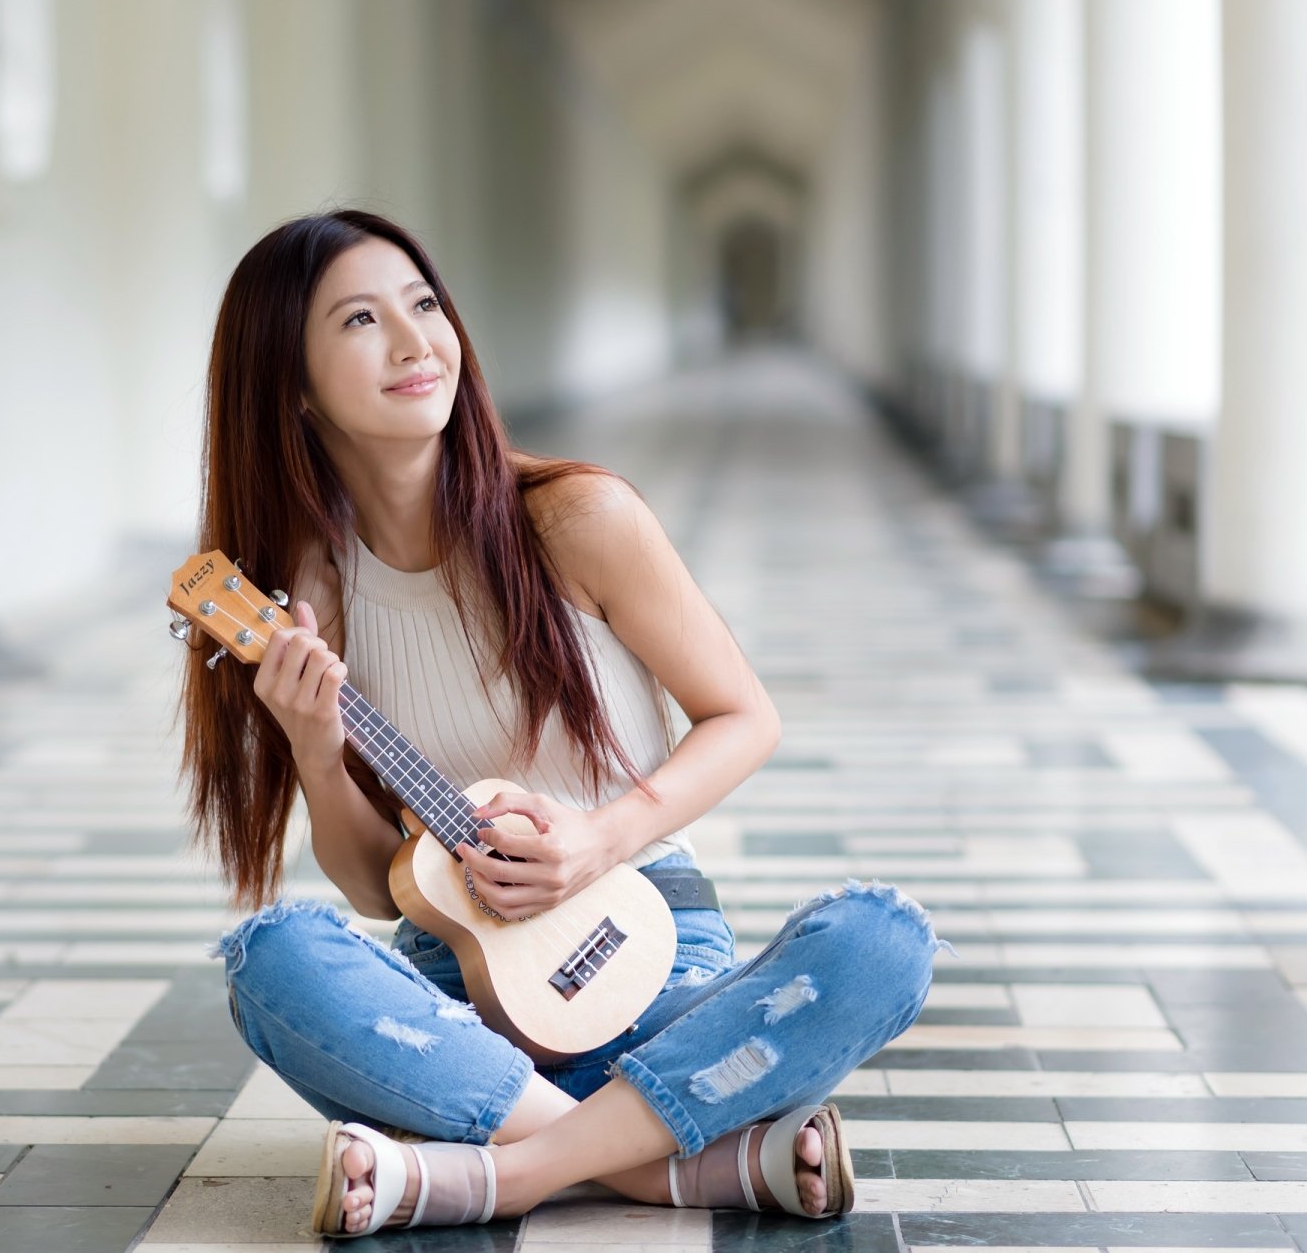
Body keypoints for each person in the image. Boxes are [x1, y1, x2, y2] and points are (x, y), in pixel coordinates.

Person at [180, 208, 952, 1238]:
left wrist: (599, 838)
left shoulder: (576, 518)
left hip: (655, 961)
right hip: (453, 996)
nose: (417, 342)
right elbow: (377, 887)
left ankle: (494, 1172)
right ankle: (665, 1157)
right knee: (273, 960)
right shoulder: (312, 596)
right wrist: (318, 753)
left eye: (423, 304)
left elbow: (744, 717)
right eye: (362, 320)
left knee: (880, 942)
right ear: (295, 388)